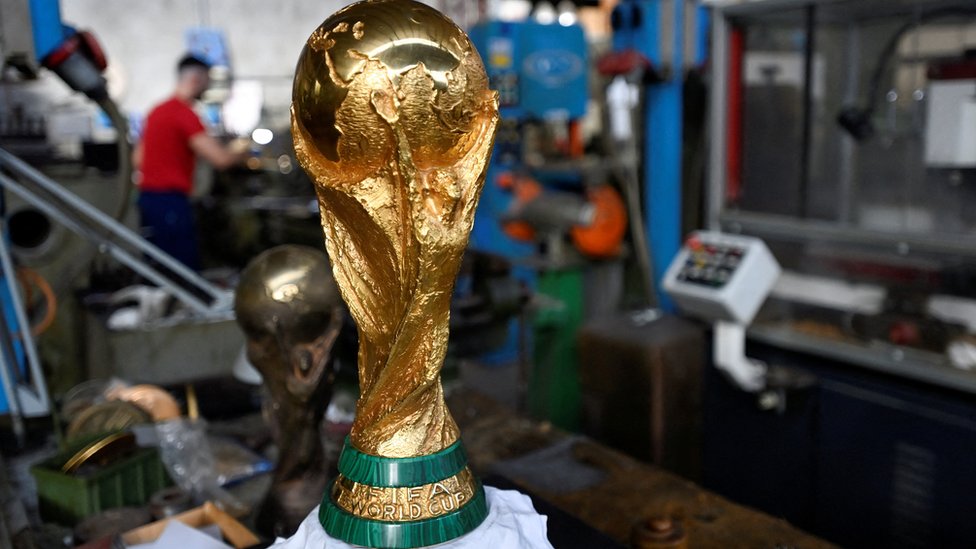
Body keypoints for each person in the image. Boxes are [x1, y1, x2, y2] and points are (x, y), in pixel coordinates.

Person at [133, 54, 247, 271]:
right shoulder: (183, 114)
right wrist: (244, 152)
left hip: (149, 199)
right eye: (208, 81)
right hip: (170, 200)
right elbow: (220, 159)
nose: (209, 87)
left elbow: (137, 159)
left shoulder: (156, 110)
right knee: (182, 268)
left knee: (160, 266)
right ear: (196, 79)